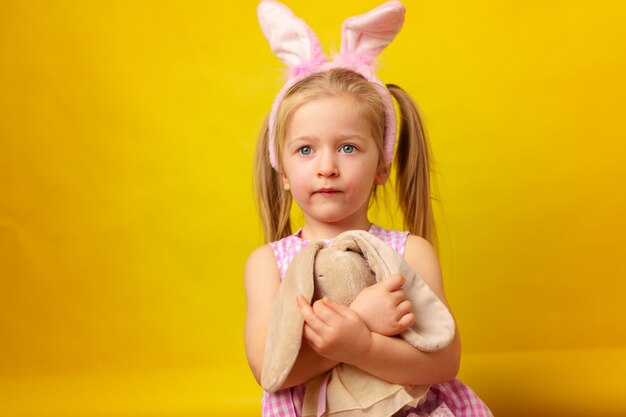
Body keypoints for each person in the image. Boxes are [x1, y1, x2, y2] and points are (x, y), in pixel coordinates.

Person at [245, 1, 493, 416]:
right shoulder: (266, 264)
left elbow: (444, 362)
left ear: (381, 165)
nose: (326, 167)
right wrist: (357, 325)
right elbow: (270, 371)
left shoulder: (411, 253)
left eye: (348, 147)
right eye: (305, 149)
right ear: (283, 170)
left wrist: (362, 345)